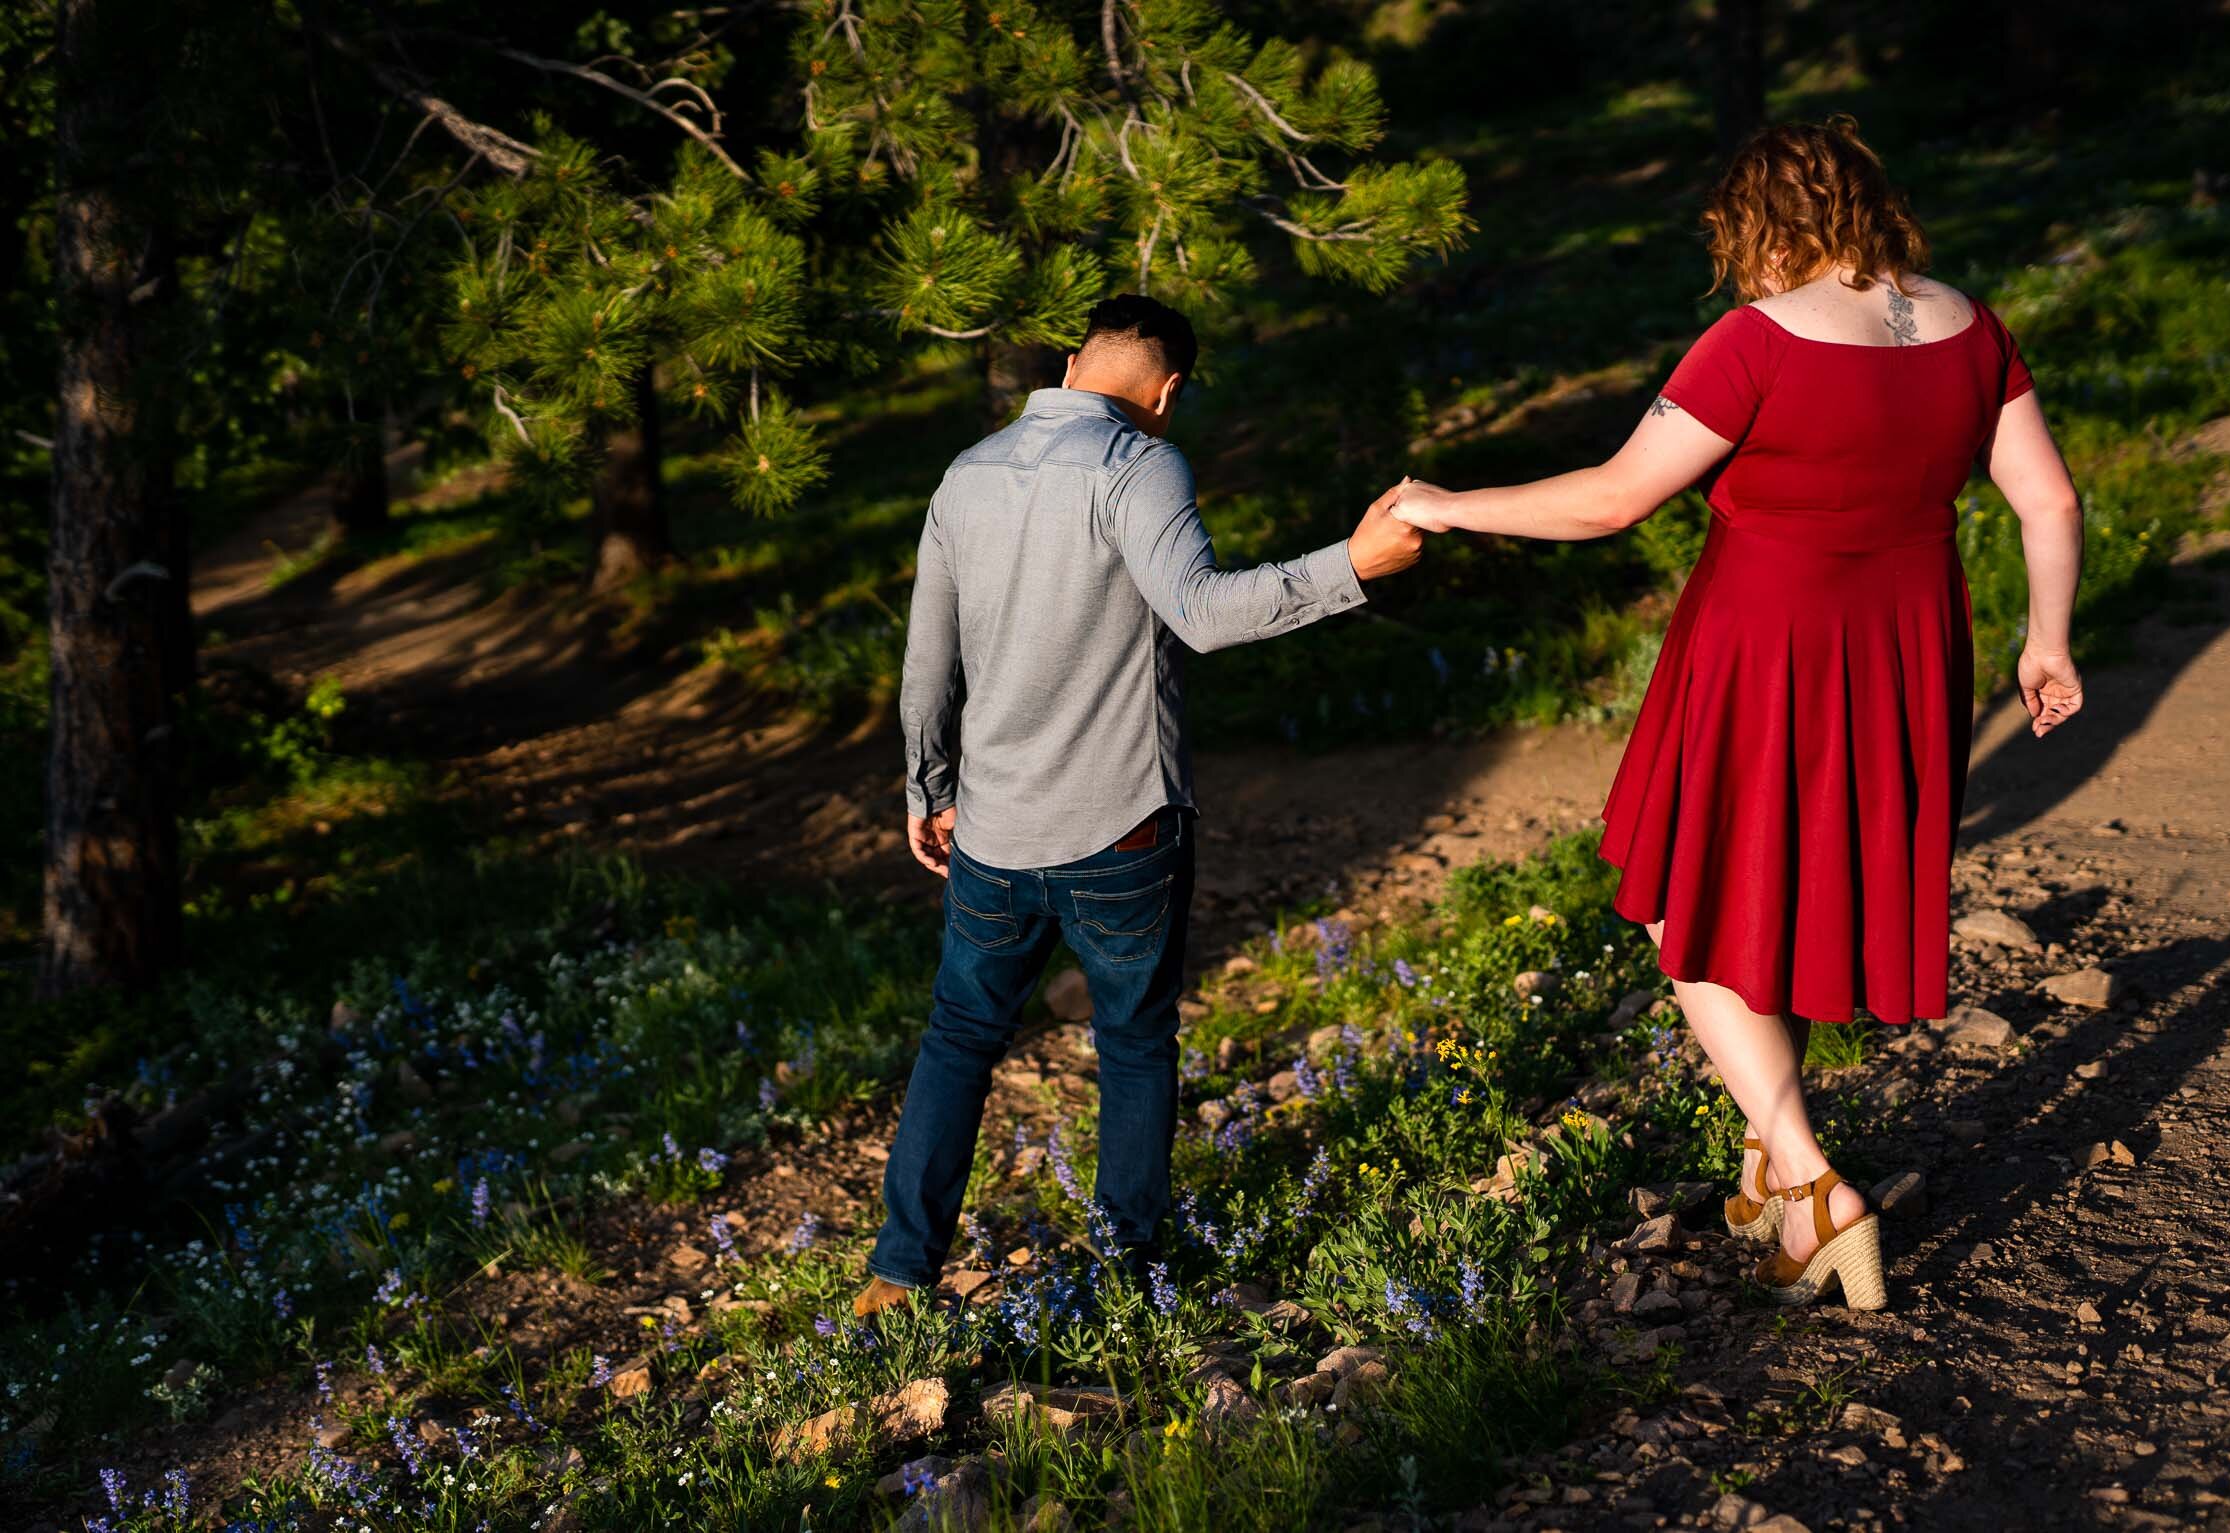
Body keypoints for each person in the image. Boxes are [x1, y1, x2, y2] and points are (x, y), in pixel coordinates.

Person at [1389, 117, 2085, 1310]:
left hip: (1762, 649)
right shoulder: (1970, 325)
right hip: (1906, 649)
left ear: (1759, 225)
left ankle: (1812, 1184)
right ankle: (1770, 1163)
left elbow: (1611, 502)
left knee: (1690, 901)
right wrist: (2046, 639)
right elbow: (2047, 497)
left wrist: (1448, 505)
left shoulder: (1754, 339)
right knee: (1791, 897)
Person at [854, 294, 1424, 1318]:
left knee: (958, 1039)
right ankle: (1128, 1279)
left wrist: (926, 786)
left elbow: (926, 657)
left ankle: (896, 1274)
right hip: (1122, 828)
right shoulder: (1139, 465)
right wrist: (1353, 567)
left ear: (1071, 363)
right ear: (1165, 393)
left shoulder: (964, 474)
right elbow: (1200, 615)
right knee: (1130, 1045)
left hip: (989, 830)